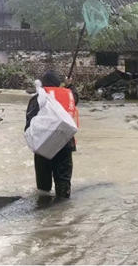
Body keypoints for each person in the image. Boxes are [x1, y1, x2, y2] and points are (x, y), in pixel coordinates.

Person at [24, 70, 79, 198]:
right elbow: (76, 96)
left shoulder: (38, 98)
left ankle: (44, 211)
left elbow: (29, 124)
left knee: (43, 189)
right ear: (58, 83)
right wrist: (70, 84)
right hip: (65, 143)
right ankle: (62, 213)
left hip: (43, 146)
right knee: (63, 183)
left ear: (43, 84)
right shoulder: (70, 95)